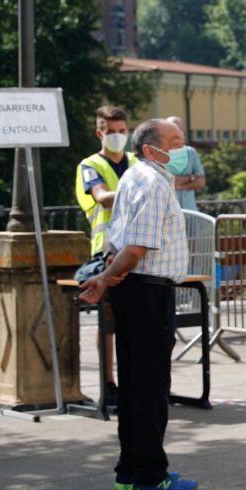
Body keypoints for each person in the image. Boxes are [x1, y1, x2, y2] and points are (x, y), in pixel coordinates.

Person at [78, 119, 198, 490]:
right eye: (175, 142)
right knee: (150, 386)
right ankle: (150, 474)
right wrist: (106, 277)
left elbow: (122, 240)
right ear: (152, 149)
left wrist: (108, 277)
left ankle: (130, 468)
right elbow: (137, 247)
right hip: (148, 291)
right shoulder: (151, 180)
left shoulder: (133, 176)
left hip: (135, 289)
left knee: (133, 384)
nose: (183, 148)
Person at [74, 105, 137, 403]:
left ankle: (139, 382)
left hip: (139, 249)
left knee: (139, 319)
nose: (117, 136)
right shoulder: (90, 165)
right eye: (111, 132)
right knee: (108, 321)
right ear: (100, 133)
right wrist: (141, 190)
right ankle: (109, 382)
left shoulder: (137, 161)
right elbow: (101, 198)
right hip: (106, 252)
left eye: (122, 131)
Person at [164, 116, 206, 211]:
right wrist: (189, 178)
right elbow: (162, 181)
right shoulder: (158, 153)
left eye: (178, 128)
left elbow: (201, 181)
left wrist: (178, 186)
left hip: (190, 211)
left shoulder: (191, 152)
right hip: (168, 212)